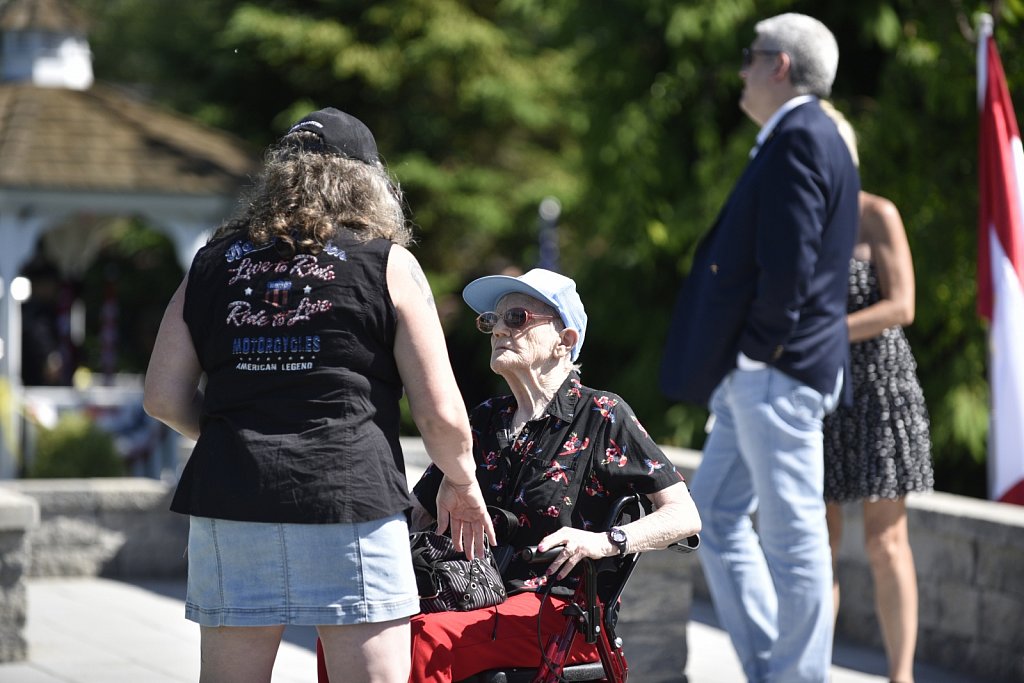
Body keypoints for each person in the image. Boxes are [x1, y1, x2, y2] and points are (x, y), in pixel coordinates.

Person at [142, 107, 494, 683]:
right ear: (369, 182)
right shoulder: (387, 264)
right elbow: (440, 412)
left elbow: (161, 396)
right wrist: (462, 481)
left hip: (232, 494)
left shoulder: (210, 265)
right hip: (349, 496)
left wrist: (235, 434)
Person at [659, 13, 860, 683]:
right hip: (768, 374)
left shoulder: (801, 135)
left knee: (796, 542)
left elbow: (791, 269)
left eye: (751, 56)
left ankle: (795, 677)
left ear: (779, 66)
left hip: (775, 372)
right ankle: (773, 667)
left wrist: (755, 354)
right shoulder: (804, 135)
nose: (741, 69)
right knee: (712, 512)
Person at [406, 268, 701, 683]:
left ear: (565, 341)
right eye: (492, 321)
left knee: (420, 640)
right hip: (466, 593)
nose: (497, 331)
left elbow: (684, 516)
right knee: (356, 632)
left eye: (517, 318)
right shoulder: (487, 418)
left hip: (557, 608)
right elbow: (415, 514)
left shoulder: (603, 415)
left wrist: (604, 541)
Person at [820, 101, 934, 683]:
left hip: (882, 389)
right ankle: (810, 671)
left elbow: (903, 305)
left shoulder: (877, 215)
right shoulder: (804, 223)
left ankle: (900, 675)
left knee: (886, 540)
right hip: (820, 396)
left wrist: (824, 331)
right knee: (822, 541)